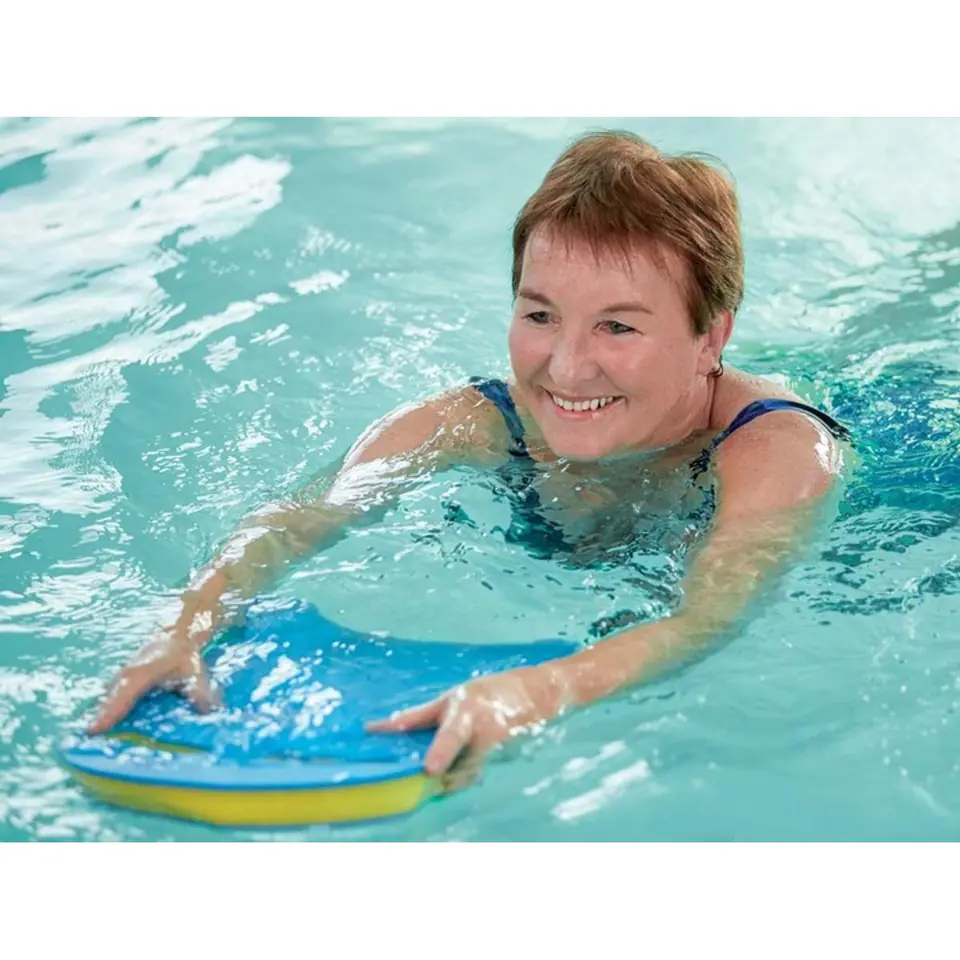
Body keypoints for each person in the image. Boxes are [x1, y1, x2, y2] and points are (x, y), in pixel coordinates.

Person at [88, 130, 851, 781]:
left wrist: (534, 692)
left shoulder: (780, 451)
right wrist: (184, 625)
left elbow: (704, 621)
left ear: (711, 337)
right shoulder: (477, 422)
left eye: (618, 327)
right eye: (541, 315)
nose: (566, 368)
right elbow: (302, 516)